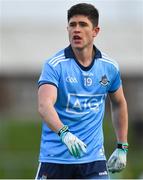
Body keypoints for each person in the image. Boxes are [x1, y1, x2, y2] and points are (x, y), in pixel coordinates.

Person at [35, 3, 128, 179]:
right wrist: (65, 134)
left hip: (94, 160)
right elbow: (45, 105)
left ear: (95, 31)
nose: (76, 30)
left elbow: (119, 103)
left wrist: (122, 146)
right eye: (72, 25)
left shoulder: (109, 67)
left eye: (83, 25)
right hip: (56, 159)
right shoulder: (54, 65)